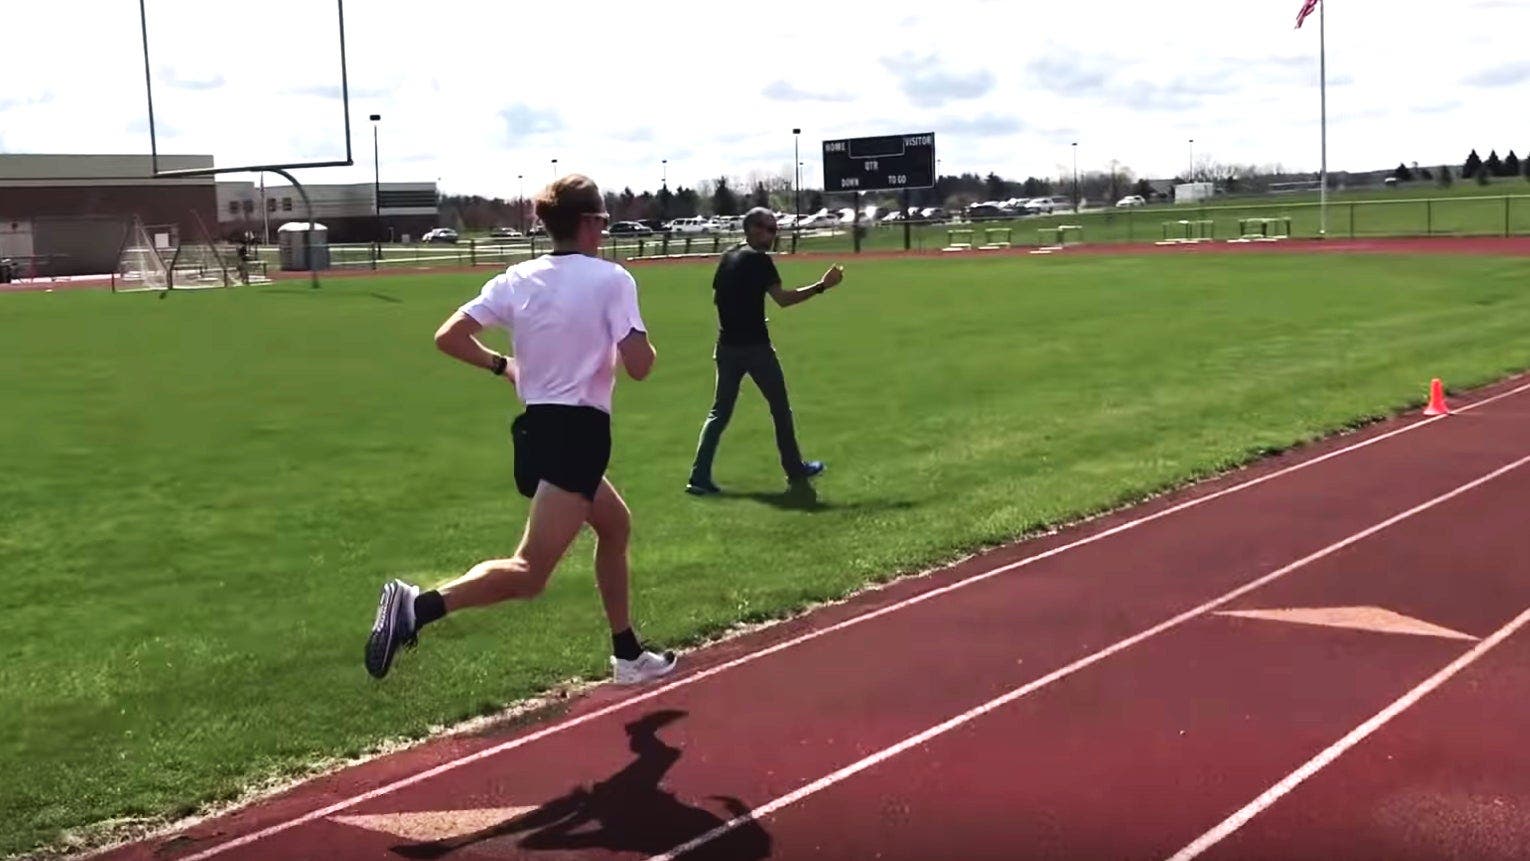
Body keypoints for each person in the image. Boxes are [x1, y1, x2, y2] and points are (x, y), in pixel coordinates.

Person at [365, 174, 677, 685]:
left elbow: (450, 337)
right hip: (578, 433)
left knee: (615, 525)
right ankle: (416, 607)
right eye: (600, 219)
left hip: (537, 431)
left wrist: (503, 366)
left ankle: (627, 653)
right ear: (586, 223)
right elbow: (641, 365)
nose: (603, 228)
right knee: (530, 573)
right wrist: (637, 342)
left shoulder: (516, 277)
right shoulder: (612, 280)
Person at [685, 206, 844, 495]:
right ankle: (795, 470)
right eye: (769, 229)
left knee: (719, 412)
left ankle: (698, 477)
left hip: (726, 346)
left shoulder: (729, 256)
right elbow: (783, 299)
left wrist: (743, 316)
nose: (774, 235)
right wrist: (822, 286)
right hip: (755, 349)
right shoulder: (760, 261)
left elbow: (718, 298)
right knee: (780, 409)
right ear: (753, 229)